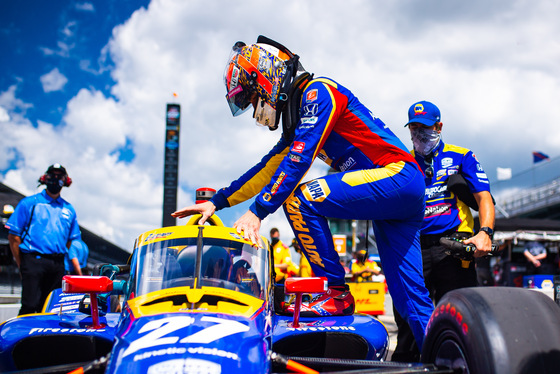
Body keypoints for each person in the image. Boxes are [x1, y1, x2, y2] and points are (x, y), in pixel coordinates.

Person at [172, 36, 433, 349]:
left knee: (298, 198)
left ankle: (335, 293)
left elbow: (299, 159)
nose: (255, 108)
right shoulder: (299, 120)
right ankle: (446, 358)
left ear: (265, 78)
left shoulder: (318, 92)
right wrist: (216, 202)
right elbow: (266, 169)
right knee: (409, 302)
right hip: (397, 195)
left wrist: (257, 211)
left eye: (252, 98)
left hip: (397, 177)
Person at [392, 100, 496, 362]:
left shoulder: (462, 155)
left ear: (439, 126)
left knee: (459, 312)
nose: (419, 134)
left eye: (425, 128)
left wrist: (485, 232)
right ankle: (408, 364)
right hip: (413, 248)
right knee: (407, 318)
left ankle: (465, 361)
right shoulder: (401, 163)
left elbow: (485, 199)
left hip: (453, 245)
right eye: (414, 128)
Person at [5, 164, 81, 315]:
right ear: (45, 178)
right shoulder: (29, 203)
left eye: (60, 176)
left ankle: (47, 337)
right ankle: (24, 337)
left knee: (53, 307)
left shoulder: (69, 209)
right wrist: (22, 265)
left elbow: (69, 240)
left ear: (66, 181)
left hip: (57, 264)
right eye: (52, 175)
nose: (56, 179)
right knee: (30, 304)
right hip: (33, 261)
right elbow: (14, 236)